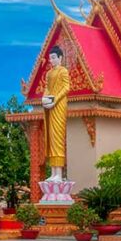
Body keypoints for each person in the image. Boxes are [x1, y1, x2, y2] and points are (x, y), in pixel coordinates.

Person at [41, 45, 70, 182]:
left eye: (53, 57)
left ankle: (59, 173)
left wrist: (55, 99)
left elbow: (66, 87)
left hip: (59, 105)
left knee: (58, 137)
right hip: (50, 106)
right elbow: (47, 88)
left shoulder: (63, 71)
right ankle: (53, 172)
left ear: (60, 58)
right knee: (51, 138)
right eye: (50, 58)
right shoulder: (49, 73)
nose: (51, 60)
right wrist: (45, 98)